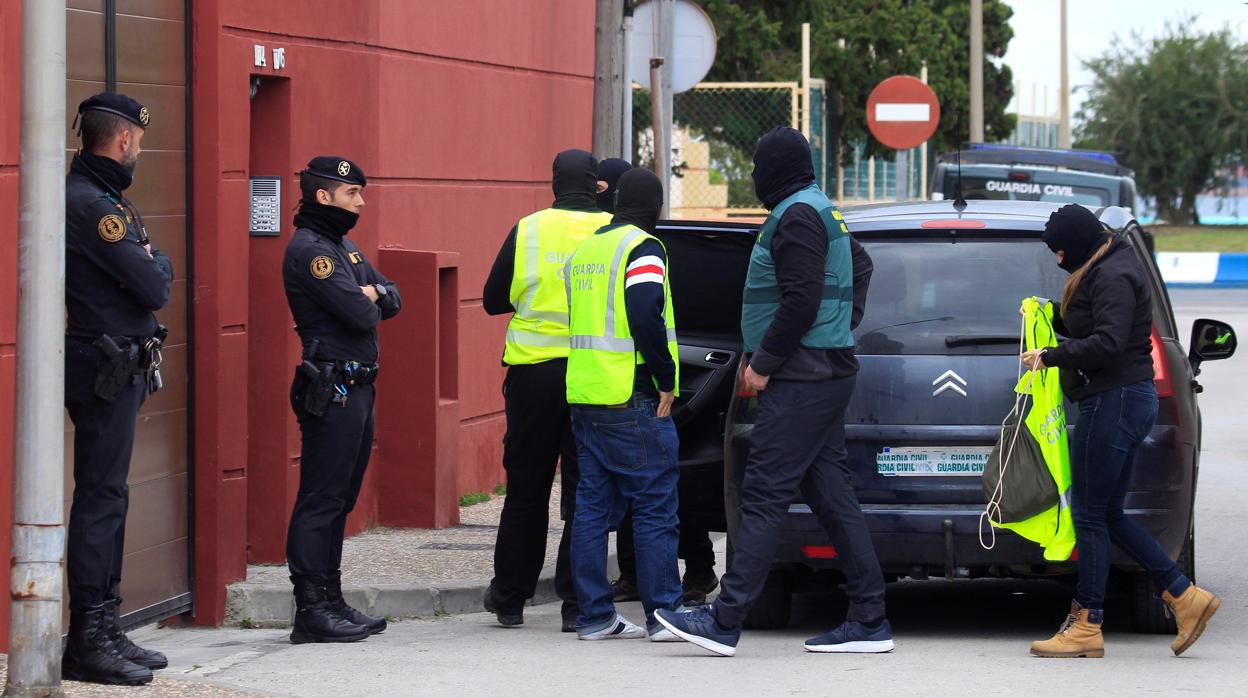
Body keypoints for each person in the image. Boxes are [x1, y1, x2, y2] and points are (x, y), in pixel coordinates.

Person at [655, 127, 887, 657]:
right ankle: (871, 619)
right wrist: (840, 325)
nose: (756, 175)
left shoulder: (797, 215)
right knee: (832, 496)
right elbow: (861, 267)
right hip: (822, 369)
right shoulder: (818, 208)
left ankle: (725, 618)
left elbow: (801, 298)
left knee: (762, 494)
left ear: (777, 168)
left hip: (803, 376)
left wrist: (763, 364)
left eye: (760, 164)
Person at [1023, 204, 1219, 659]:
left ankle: (1086, 623)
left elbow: (1109, 343)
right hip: (1126, 400)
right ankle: (1184, 597)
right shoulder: (1110, 264)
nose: (1057, 260)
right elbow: (1097, 323)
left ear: (1077, 245)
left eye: (1059, 252)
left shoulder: (1112, 275)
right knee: (1108, 514)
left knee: (1089, 516)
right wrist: (1049, 313)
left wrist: (1051, 355)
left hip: (1114, 402)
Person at [63, 92, 172, 686]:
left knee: (112, 497)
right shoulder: (94, 207)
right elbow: (154, 284)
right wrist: (157, 266)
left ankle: (105, 624)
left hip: (120, 364)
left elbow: (154, 271)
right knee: (101, 499)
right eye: (139, 142)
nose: (140, 152)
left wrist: (155, 265)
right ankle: (88, 637)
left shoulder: (107, 200)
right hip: (102, 365)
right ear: (124, 139)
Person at [482, 150, 613, 631]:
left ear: (554, 185)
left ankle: (510, 599)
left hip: (534, 375)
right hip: (592, 376)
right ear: (597, 184)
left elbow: (495, 299)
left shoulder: (529, 229)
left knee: (526, 490)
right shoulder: (614, 232)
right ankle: (577, 605)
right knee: (585, 494)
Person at [283, 156, 402, 644]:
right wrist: (369, 294)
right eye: (352, 194)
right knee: (321, 499)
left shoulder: (344, 248)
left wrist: (373, 291)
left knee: (341, 498)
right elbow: (361, 312)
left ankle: (331, 599)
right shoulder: (313, 252)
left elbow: (393, 296)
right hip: (331, 388)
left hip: (357, 386)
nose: (361, 203)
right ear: (323, 197)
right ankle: (310, 608)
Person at [566, 167, 684, 641]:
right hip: (631, 396)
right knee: (656, 504)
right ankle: (665, 615)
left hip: (586, 394)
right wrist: (667, 378)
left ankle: (593, 616)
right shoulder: (644, 247)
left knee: (591, 507)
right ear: (655, 207)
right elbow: (643, 310)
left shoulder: (588, 248)